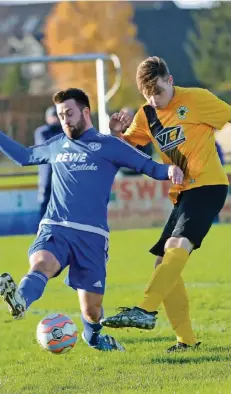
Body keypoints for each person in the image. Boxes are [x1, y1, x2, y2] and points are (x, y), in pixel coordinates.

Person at [0, 88, 183, 352]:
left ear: (86, 112)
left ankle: (94, 337)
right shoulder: (55, 145)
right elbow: (24, 156)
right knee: (41, 263)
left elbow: (148, 166)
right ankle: (19, 300)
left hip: (92, 235)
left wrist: (170, 169)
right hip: (56, 226)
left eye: (69, 113)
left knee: (93, 311)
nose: (65, 120)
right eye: (61, 115)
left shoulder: (109, 145)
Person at [100, 56, 230, 352]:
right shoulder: (147, 115)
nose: (155, 100)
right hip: (182, 194)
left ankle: (145, 308)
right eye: (148, 95)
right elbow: (127, 151)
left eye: (158, 91)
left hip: (209, 185)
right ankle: (186, 340)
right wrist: (116, 134)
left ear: (170, 81)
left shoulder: (197, 99)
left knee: (177, 245)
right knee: (163, 263)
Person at [34, 106, 63, 220]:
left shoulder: (66, 130)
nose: (56, 119)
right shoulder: (43, 131)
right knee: (45, 203)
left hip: (63, 174)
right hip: (47, 174)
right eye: (53, 116)